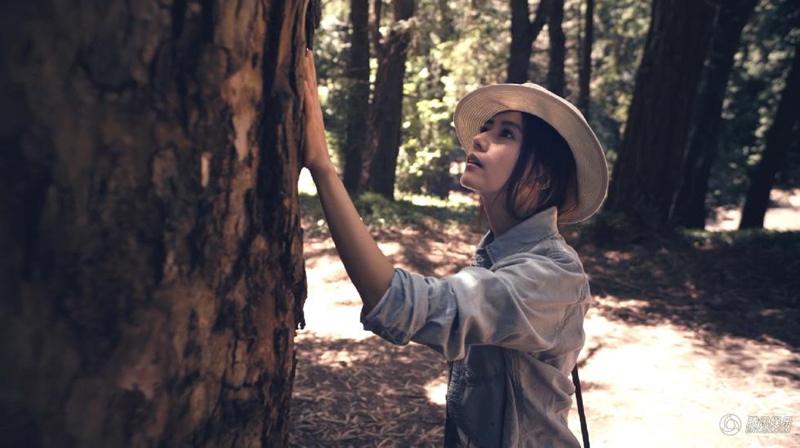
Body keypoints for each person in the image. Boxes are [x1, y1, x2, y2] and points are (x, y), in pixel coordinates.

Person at [302, 49, 608, 447]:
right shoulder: (499, 256)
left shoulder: (550, 276)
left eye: (506, 134)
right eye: (487, 127)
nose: (480, 138)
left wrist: (322, 166)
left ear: (540, 177)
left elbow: (396, 302)